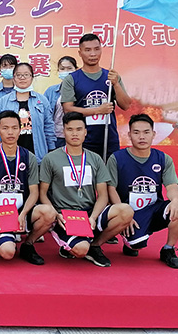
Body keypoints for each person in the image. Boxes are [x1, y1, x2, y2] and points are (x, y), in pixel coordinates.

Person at [39, 112, 133, 267]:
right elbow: (43, 193)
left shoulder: (95, 158)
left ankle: (95, 245)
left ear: (85, 132)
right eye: (70, 129)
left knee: (126, 211)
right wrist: (56, 214)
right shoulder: (51, 159)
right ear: (63, 131)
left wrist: (93, 217)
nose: (74, 133)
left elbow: (103, 195)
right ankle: (75, 245)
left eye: (78, 129)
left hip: (90, 212)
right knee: (81, 249)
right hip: (66, 215)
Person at [108, 113, 178, 269]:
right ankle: (130, 242)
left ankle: (169, 249)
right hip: (129, 213)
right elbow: (111, 189)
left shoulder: (163, 159)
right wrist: (123, 214)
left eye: (146, 132)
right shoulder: (116, 158)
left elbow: (172, 186)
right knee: (136, 244)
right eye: (136, 132)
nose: (141, 137)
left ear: (153, 134)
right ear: (129, 135)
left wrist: (175, 201)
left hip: (154, 209)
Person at [0, 110, 56, 265]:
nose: (10, 132)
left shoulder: (29, 157)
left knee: (49, 212)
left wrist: (23, 214)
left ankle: (28, 244)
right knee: (8, 252)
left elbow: (34, 192)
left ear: (20, 129)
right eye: (5, 128)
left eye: (14, 128)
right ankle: (1, 237)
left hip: (22, 212)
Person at [61, 33, 131, 159]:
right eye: (88, 50)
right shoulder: (71, 79)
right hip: (83, 140)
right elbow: (68, 109)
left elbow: (126, 105)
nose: (93, 54)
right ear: (80, 52)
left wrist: (116, 84)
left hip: (109, 138)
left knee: (110, 171)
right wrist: (97, 110)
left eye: (96, 49)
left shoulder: (111, 76)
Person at [0, 62, 55, 158]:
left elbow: (48, 126)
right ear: (13, 78)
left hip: (37, 151)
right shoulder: (3, 101)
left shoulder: (41, 100)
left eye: (26, 75)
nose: (22, 78)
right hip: (10, 153)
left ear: (32, 77)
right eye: (18, 75)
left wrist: (51, 148)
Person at [44, 56, 78, 148]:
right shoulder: (51, 91)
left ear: (76, 70)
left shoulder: (81, 90)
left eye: (69, 68)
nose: (66, 71)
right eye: (62, 69)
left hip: (76, 135)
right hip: (56, 136)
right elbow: (45, 115)